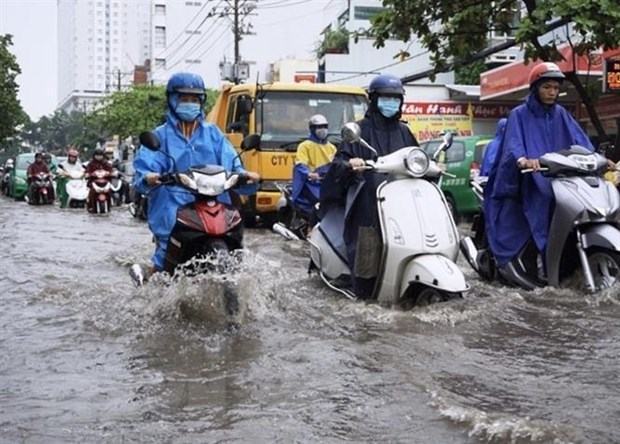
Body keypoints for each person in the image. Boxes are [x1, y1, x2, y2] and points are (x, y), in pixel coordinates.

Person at [132, 72, 260, 276]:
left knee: (237, 250)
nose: (190, 104)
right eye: (184, 99)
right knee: (163, 266)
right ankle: (154, 288)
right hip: (173, 209)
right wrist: (151, 176)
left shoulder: (214, 135)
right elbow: (143, 170)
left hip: (213, 202)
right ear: (172, 100)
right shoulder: (160, 136)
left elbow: (232, 162)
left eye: (195, 99)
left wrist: (245, 175)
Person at [483, 62, 595, 274]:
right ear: (535, 88)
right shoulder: (519, 114)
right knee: (538, 208)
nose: (552, 92)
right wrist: (524, 160)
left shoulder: (561, 113)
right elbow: (513, 145)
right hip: (530, 179)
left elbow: (580, 140)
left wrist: (596, 158)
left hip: (560, 180)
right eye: (547, 87)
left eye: (555, 88)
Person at [320, 73, 418, 299]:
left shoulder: (404, 131)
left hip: (402, 203)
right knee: (367, 252)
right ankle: (363, 293)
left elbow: (415, 155)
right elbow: (339, 162)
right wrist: (350, 164)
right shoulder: (359, 130)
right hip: (370, 202)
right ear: (373, 100)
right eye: (386, 98)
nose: (391, 103)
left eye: (395, 99)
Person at [291, 114, 336, 223]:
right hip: (312, 183)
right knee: (319, 201)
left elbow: (337, 164)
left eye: (325, 127)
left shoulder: (332, 147)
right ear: (312, 129)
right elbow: (300, 164)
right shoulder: (305, 146)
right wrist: (309, 174)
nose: (323, 130)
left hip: (327, 182)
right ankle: (310, 225)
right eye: (319, 127)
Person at [85, 147, 114, 212]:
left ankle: (110, 205)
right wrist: (88, 174)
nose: (98, 157)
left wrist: (111, 174)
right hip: (93, 182)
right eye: (97, 155)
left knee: (109, 191)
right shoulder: (91, 164)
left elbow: (111, 170)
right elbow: (87, 171)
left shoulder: (106, 163)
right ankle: (90, 205)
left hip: (105, 182)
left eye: (100, 155)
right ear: (94, 156)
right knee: (91, 192)